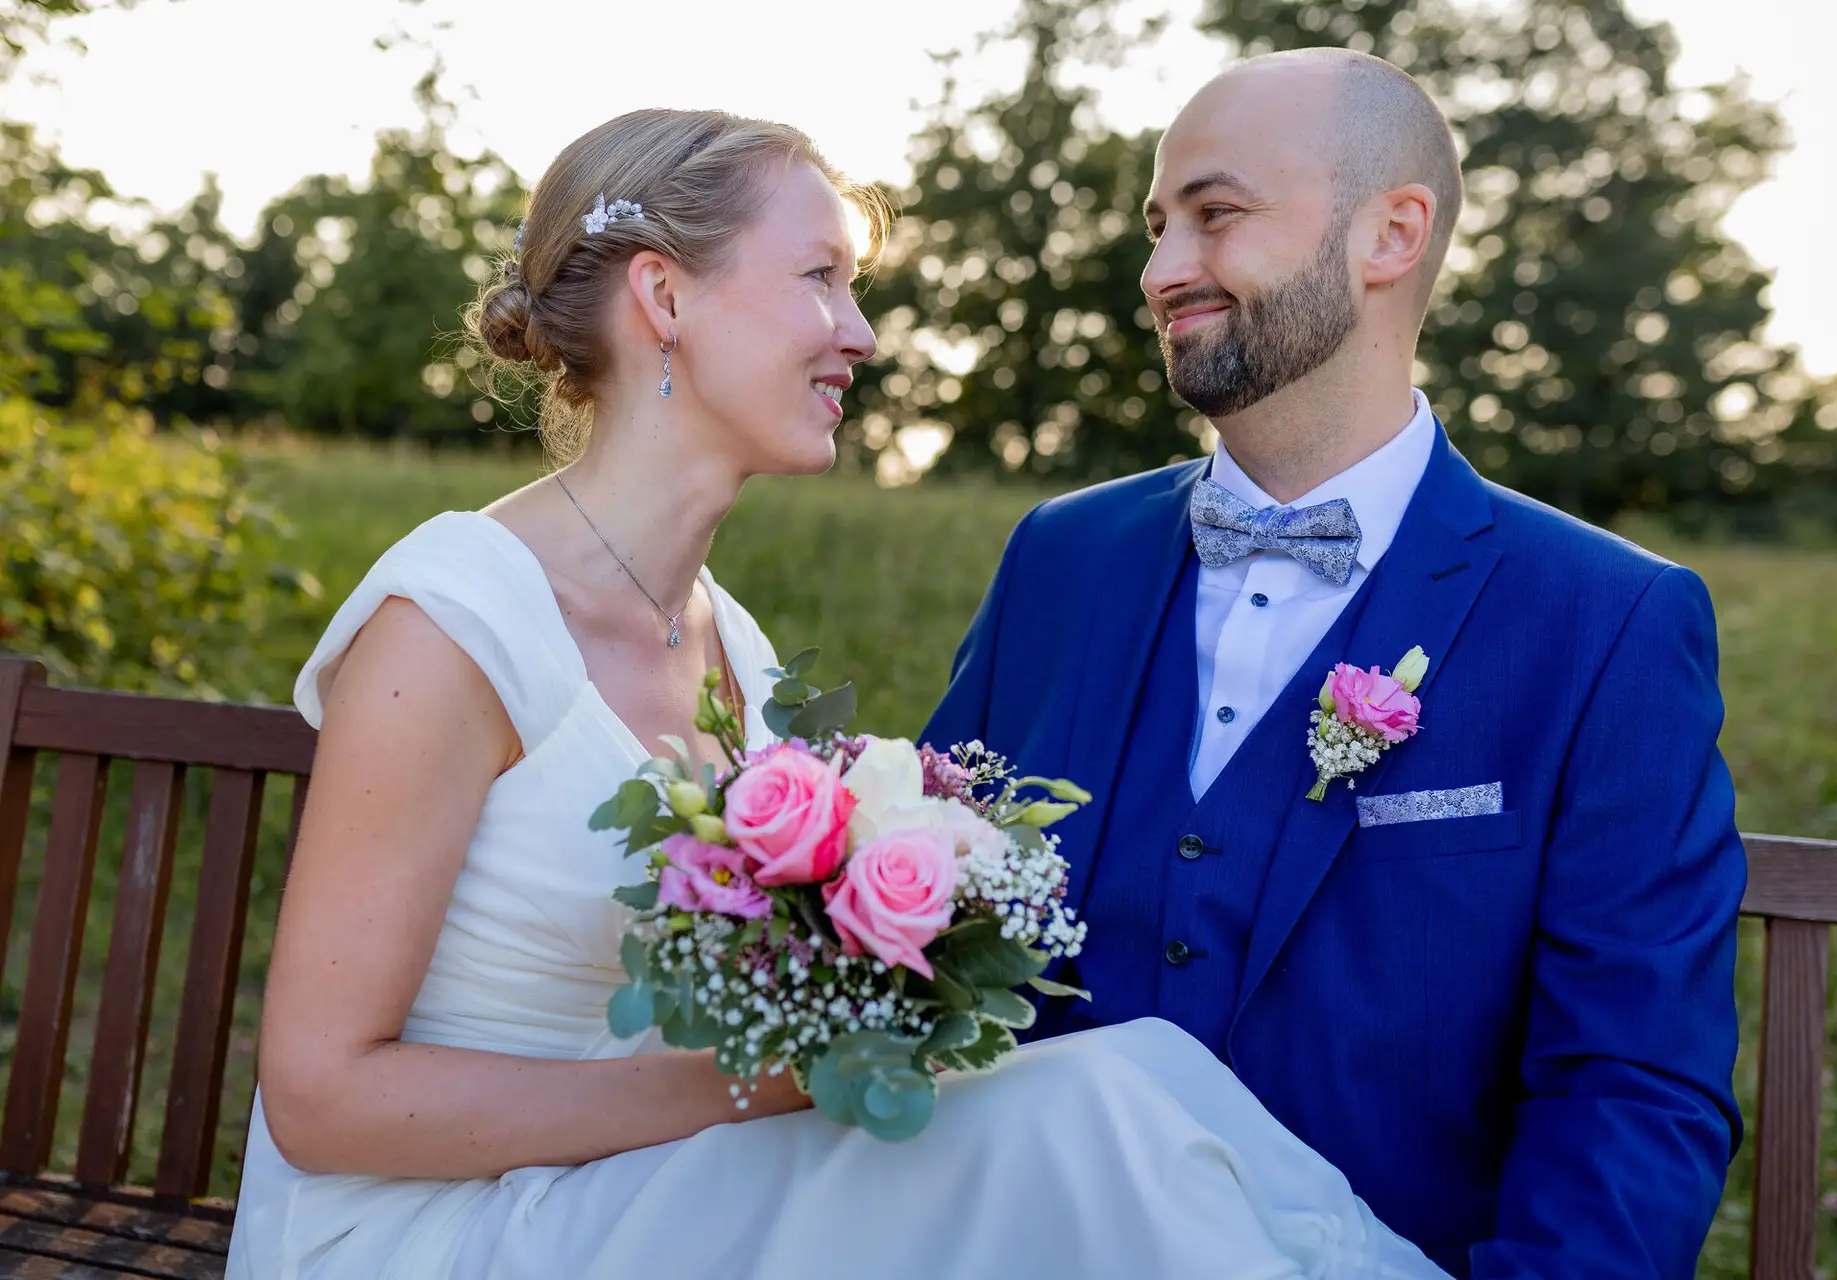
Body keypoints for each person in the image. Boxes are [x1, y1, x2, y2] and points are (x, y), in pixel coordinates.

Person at [228, 107, 1447, 1280]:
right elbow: (323, 1099)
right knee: (1080, 1121)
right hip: (439, 1235)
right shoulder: (456, 622)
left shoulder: (736, 651)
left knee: (1147, 1078)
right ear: (664, 298)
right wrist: (763, 1085)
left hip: (637, 1193)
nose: (859, 333)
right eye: (821, 278)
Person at [924, 49, 1746, 1278]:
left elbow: (1631, 1090)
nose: (1159, 270)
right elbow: (917, 936)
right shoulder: (1058, 558)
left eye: (1215, 214)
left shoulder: (1605, 619)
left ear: (1390, 235)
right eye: (1156, 227)